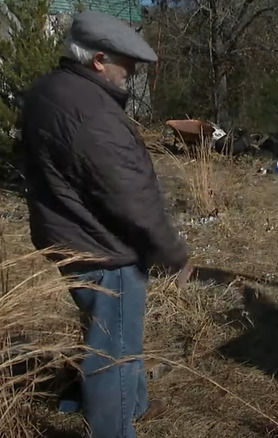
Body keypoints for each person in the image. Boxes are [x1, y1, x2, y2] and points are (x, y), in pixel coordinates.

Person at [19, 11, 192, 437]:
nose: (129, 76)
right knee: (110, 353)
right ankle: (114, 425)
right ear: (99, 59)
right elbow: (131, 199)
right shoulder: (92, 113)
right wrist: (174, 253)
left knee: (105, 332)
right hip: (104, 250)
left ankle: (131, 403)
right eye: (126, 67)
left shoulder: (47, 91)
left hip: (69, 237)